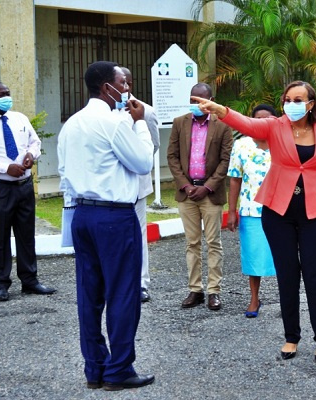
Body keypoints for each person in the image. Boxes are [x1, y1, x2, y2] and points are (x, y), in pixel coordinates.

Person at [192, 80, 316, 364]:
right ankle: (291, 337)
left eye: (298, 99)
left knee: (315, 276)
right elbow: (247, 123)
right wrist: (219, 109)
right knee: (287, 275)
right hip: (278, 212)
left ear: (311, 103)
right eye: (287, 99)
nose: (292, 104)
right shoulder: (275, 126)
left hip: (315, 213)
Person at [57, 61, 155, 391]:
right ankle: (119, 369)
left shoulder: (71, 124)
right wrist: (138, 124)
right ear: (105, 88)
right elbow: (143, 162)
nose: (126, 89)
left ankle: (94, 368)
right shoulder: (114, 122)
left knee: (89, 295)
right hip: (114, 216)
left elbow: (63, 172)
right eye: (121, 84)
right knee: (122, 293)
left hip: (82, 215)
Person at [0, 82, 56, 302]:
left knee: (26, 235)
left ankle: (30, 281)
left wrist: (31, 155)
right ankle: (1, 284)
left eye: (8, 94)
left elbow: (34, 142)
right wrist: (5, 168)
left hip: (24, 187)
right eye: (1, 95)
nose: (7, 98)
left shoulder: (20, 119)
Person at [167, 83, 234, 311]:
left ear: (211, 99)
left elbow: (226, 160)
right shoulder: (179, 123)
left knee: (213, 243)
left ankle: (214, 291)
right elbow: (172, 157)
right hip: (187, 193)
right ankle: (195, 289)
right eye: (193, 100)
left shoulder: (223, 125)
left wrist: (207, 187)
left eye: (201, 100)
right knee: (192, 243)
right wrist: (185, 185)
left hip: (210, 194)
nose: (196, 105)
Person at [227, 104, 278, 318]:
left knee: (284, 258)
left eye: (268, 119)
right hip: (250, 209)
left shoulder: (284, 141)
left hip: (280, 209)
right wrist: (231, 211)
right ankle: (254, 299)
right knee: (252, 257)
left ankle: (287, 298)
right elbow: (235, 179)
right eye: (258, 119)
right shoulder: (241, 144)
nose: (263, 123)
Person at [120, 66, 160, 303]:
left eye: (126, 82)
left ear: (131, 84)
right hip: (110, 187)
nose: (122, 87)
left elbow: (153, 146)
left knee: (138, 235)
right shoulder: (103, 111)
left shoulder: (147, 111)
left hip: (137, 184)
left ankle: (141, 283)